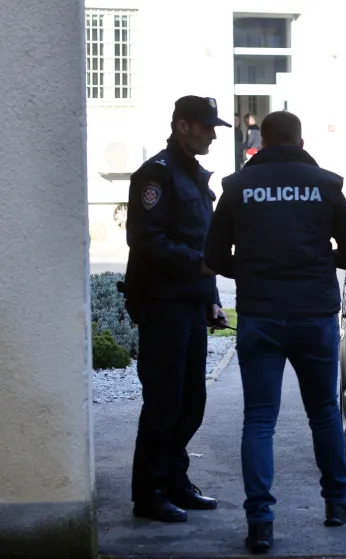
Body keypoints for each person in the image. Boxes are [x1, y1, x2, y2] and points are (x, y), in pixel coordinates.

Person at [204, 110, 346, 553]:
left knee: (259, 420)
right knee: (323, 414)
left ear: (262, 139)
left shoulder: (236, 188)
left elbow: (214, 254)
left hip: (262, 316)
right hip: (313, 316)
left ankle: (260, 522)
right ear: (299, 140)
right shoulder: (326, 186)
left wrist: (253, 271)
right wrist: (318, 261)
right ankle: (337, 503)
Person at [119, 95, 231, 523]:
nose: (212, 134)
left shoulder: (196, 177)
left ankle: (175, 480)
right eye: (206, 127)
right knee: (164, 402)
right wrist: (196, 266)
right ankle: (149, 493)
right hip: (162, 305)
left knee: (191, 401)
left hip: (189, 303)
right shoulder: (155, 175)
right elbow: (145, 240)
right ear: (182, 126)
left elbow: (205, 245)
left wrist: (212, 299)